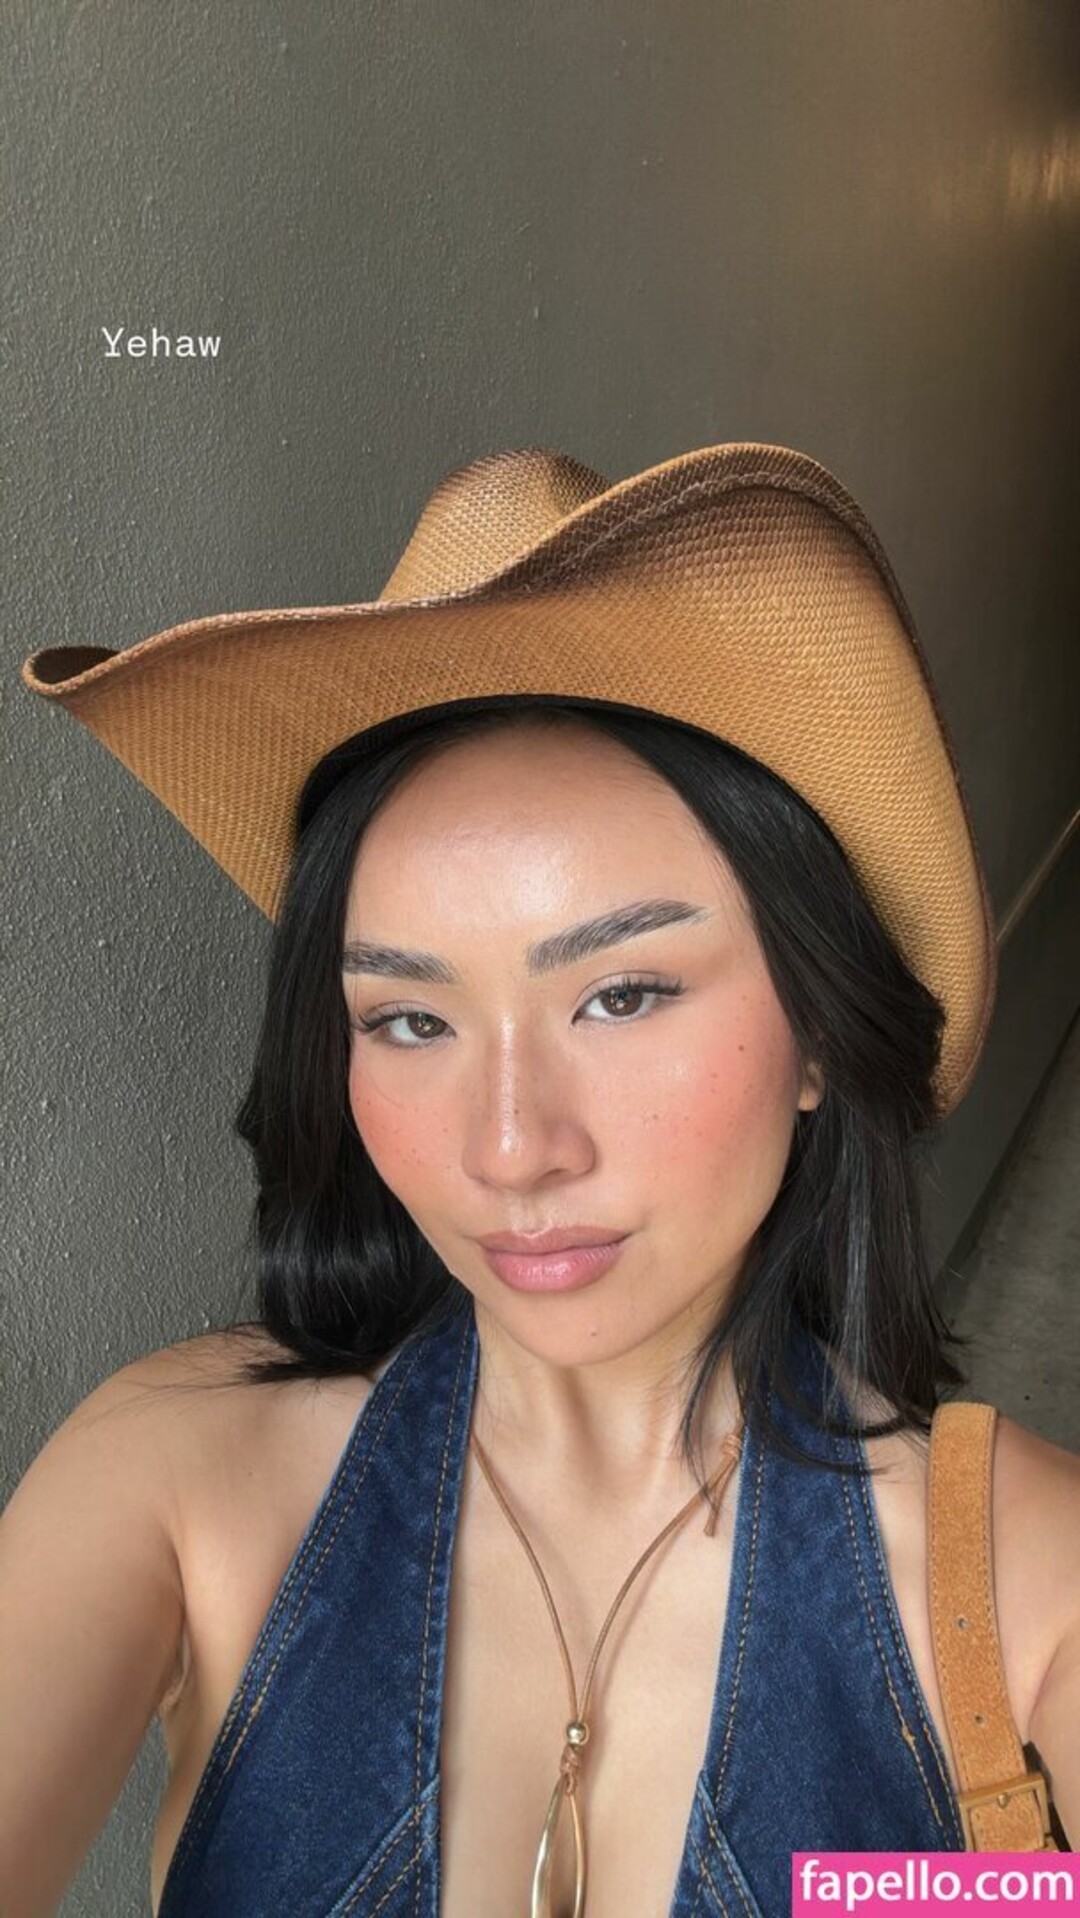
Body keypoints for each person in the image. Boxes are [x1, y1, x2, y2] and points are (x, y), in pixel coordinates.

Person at [4, 441, 1078, 1917]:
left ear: (822, 1033)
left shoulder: (1024, 1581)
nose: (510, 1148)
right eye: (410, 1019)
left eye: (623, 995)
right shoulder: (178, 1478)